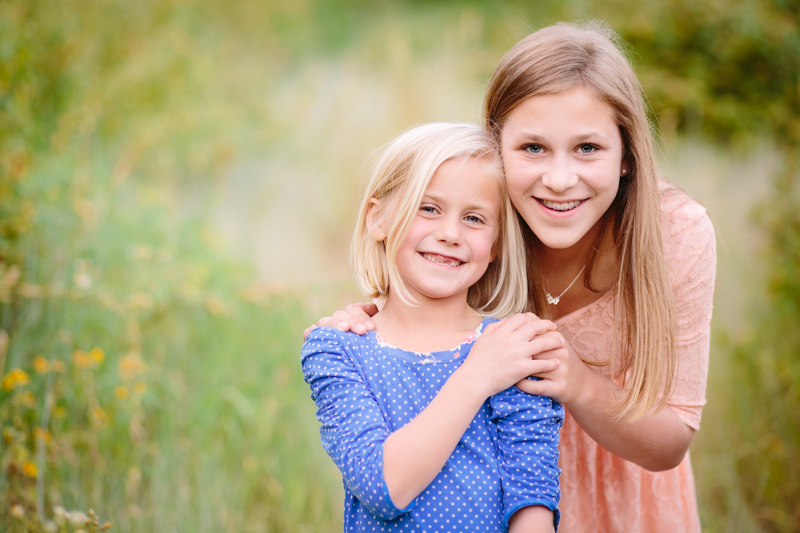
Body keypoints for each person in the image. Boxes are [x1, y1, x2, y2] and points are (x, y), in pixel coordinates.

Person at [307, 22, 716, 532]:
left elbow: (672, 438)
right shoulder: (484, 217)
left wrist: (578, 382)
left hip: (621, 482)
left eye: (588, 148)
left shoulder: (673, 233)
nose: (560, 180)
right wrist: (375, 310)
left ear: (628, 155)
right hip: (472, 476)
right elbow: (421, 278)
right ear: (497, 146)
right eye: (533, 148)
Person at [301, 122, 565, 532]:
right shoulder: (338, 350)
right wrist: (477, 376)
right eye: (429, 208)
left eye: (475, 218)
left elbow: (532, 502)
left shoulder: (513, 349)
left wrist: (493, 365)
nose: (449, 234)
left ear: (495, 246)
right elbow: (384, 487)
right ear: (378, 218)